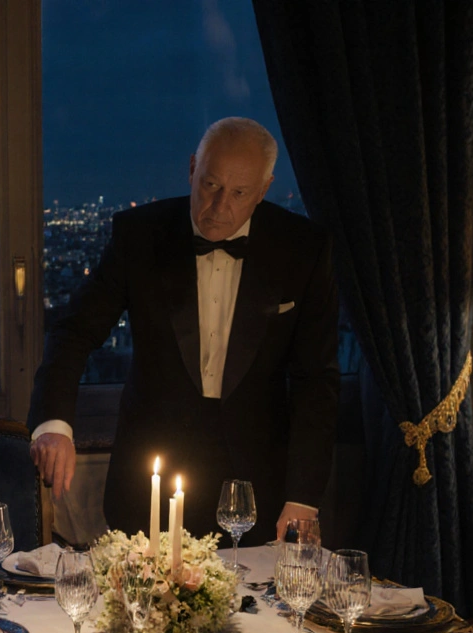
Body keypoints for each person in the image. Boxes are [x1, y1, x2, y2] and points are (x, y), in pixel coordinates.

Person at [28, 117, 338, 546]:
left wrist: (304, 496)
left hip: (256, 485)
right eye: (210, 185)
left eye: (239, 193)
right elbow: (74, 330)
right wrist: (54, 423)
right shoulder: (140, 236)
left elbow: (316, 380)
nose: (220, 206)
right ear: (192, 168)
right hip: (149, 477)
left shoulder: (302, 248)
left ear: (265, 189)